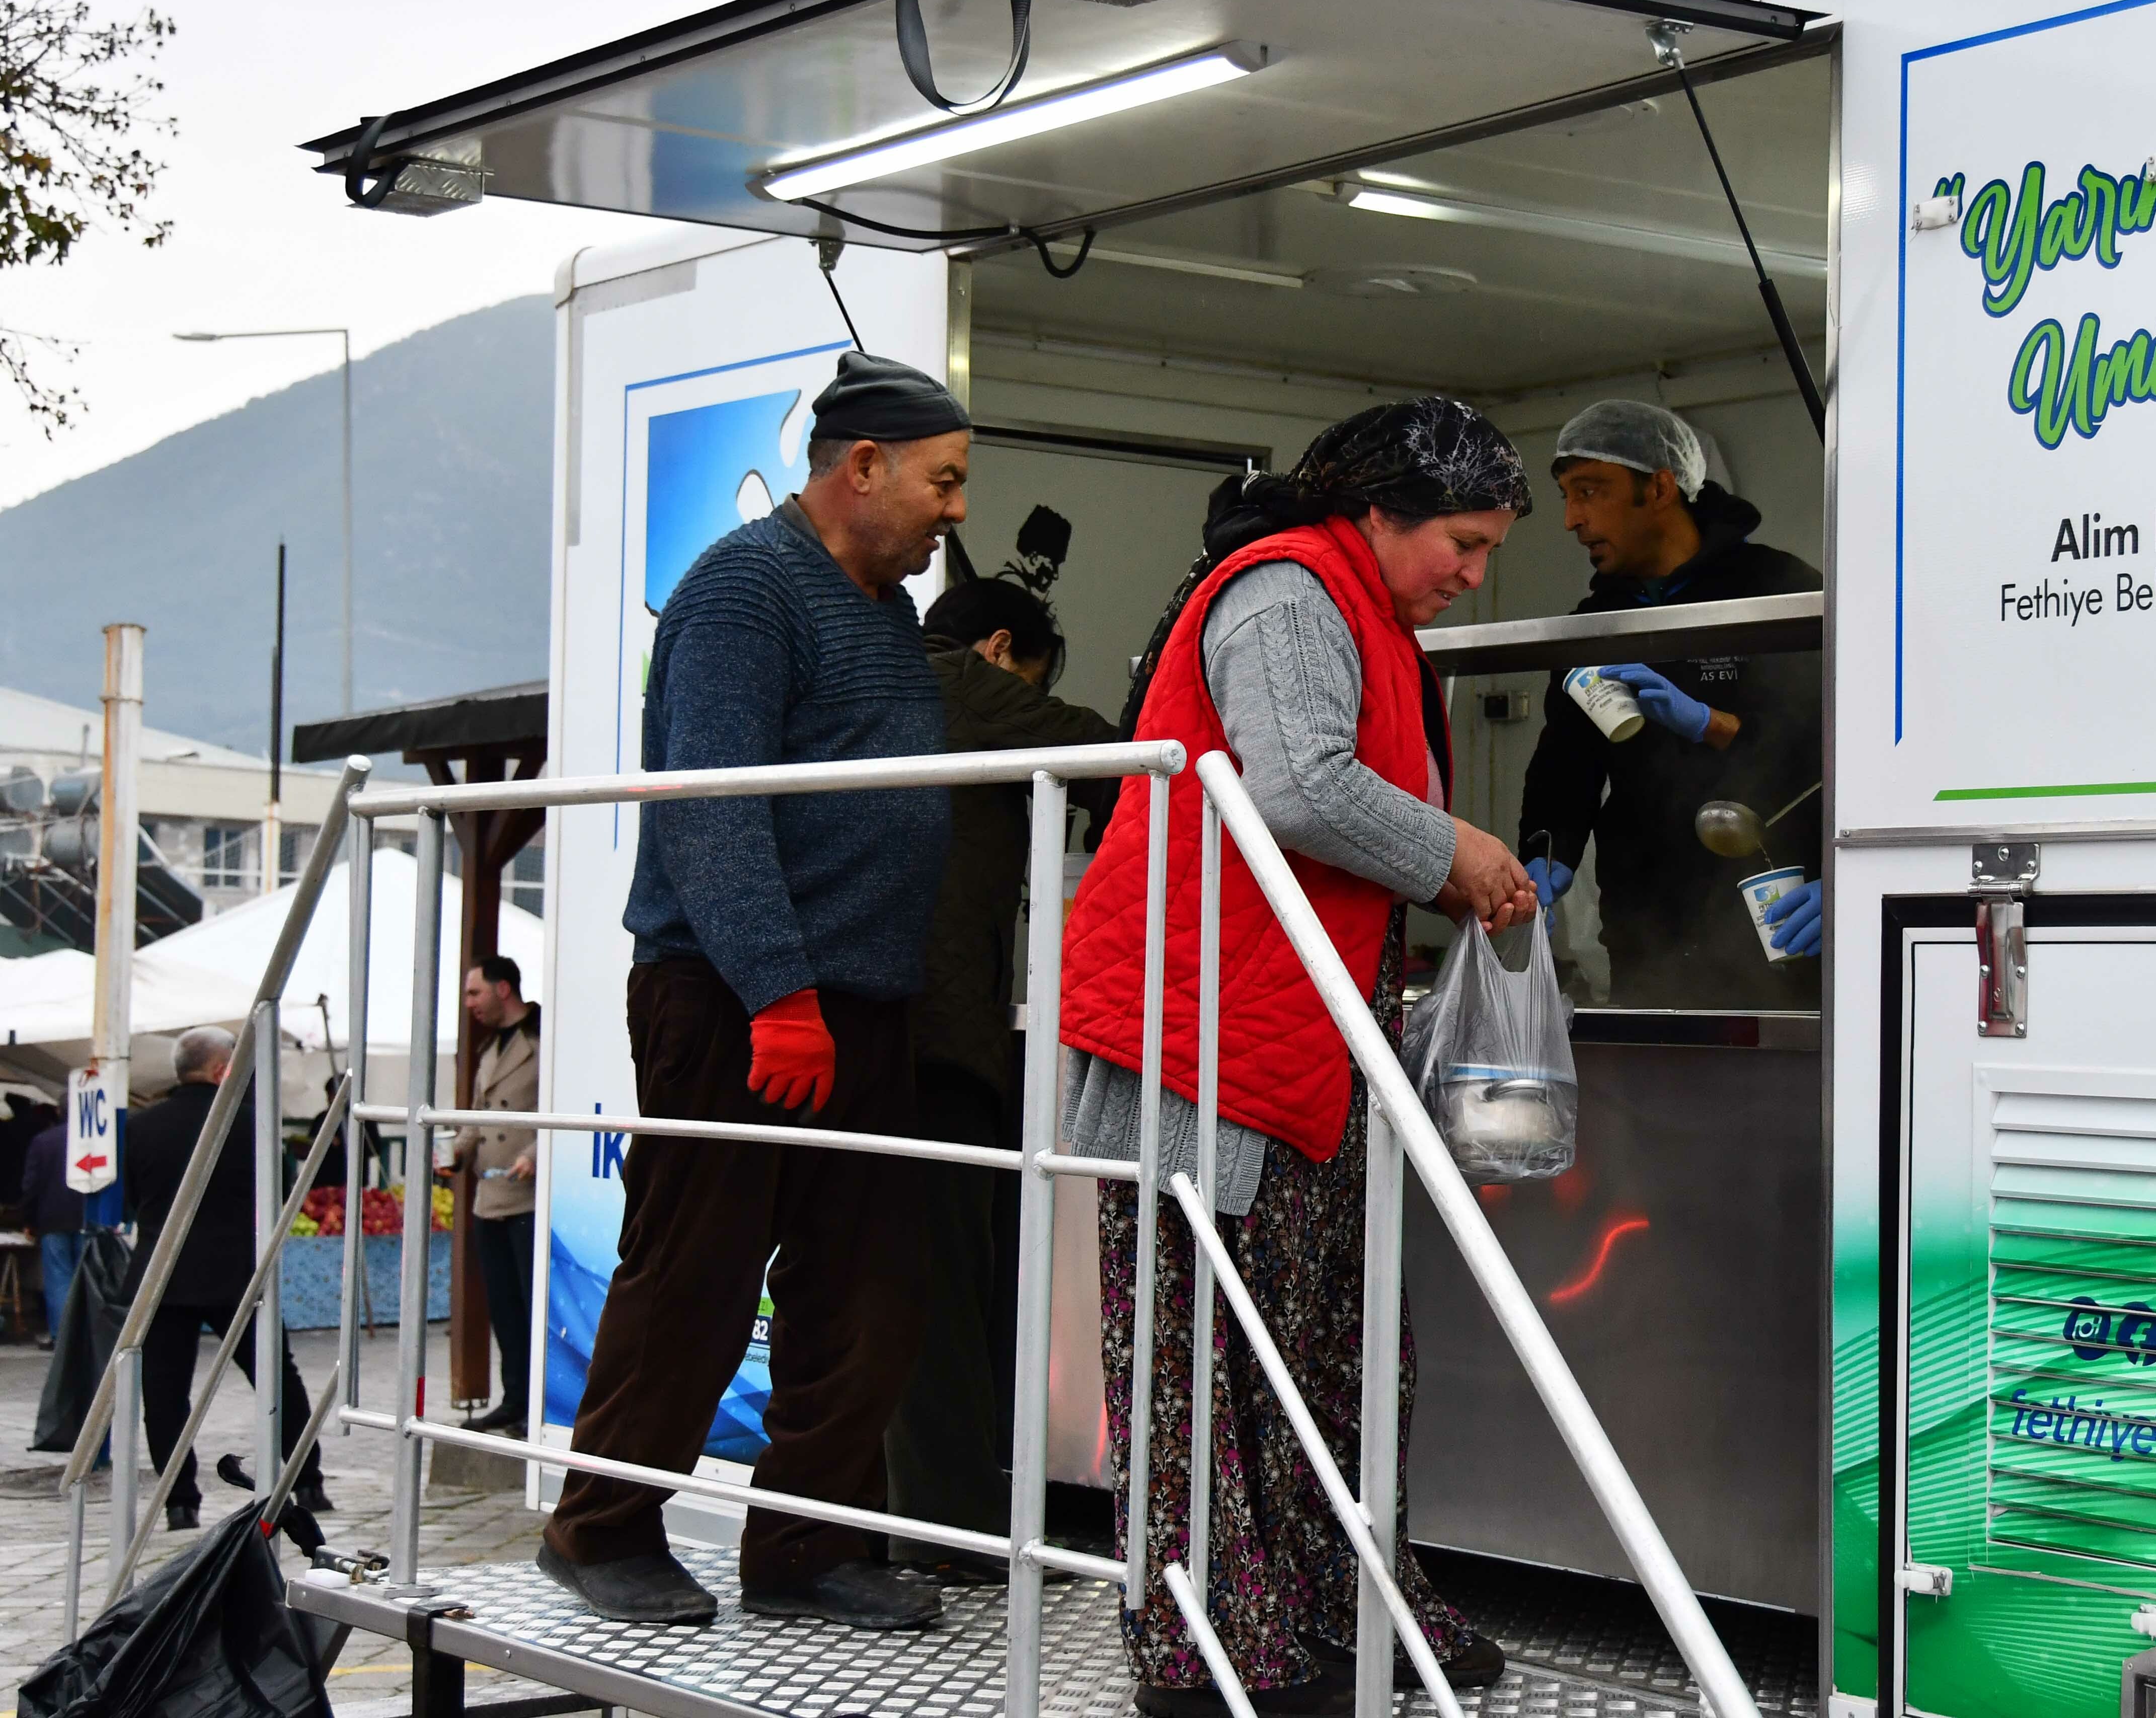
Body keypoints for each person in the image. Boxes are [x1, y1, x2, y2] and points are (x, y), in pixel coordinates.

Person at [1063, 397, 1536, 1718]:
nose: (1471, 574)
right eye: (1461, 542)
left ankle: (1339, 1595)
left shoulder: (1363, 610)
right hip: (1198, 1033)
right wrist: (1461, 854)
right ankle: (1209, 1644)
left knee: (1327, 1339)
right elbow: (1301, 787)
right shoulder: (1285, 595)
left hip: (1296, 1037)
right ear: (1376, 513)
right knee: (1198, 1350)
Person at [538, 350, 965, 1633]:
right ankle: (600, 1527)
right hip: (736, 995)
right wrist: (778, 990)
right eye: (942, 482)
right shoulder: (742, 590)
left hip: (865, 1000)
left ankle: (806, 1546)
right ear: (862, 467)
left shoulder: (885, 607)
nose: (956, 510)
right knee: (696, 1274)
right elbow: (707, 803)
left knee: (865, 1286)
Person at [885, 572, 1116, 1580]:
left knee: (870, 1281)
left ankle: (866, 1518)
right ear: (999, 649)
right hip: (940, 1031)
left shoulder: (868, 679)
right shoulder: (966, 686)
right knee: (947, 1283)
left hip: (861, 1022)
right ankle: (958, 1530)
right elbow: (1116, 752)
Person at [1516, 400, 1825, 1007]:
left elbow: (1844, 747)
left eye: (1591, 491)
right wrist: (1543, 857)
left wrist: (1843, 886)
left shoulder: (1783, 594)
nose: (1572, 519)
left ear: (1659, 488)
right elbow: (1565, 767)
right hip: (1648, 925)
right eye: (1566, 496)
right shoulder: (1599, 624)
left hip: (1783, 914)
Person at [129, 1026, 328, 1531]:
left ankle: (180, 1501)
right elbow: (282, 1192)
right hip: (237, 1273)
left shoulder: (141, 1127)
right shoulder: (252, 1126)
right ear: (223, 1071)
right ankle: (307, 1480)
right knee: (275, 1378)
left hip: (163, 1276)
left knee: (164, 1392)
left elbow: (133, 1197)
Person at [455, 954, 540, 1436]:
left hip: (527, 1196)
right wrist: (456, 1150)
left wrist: (537, 1152)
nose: (470, 1004)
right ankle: (515, 1398)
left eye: (475, 993)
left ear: (503, 989)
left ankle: (536, 1403)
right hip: (490, 1196)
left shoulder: (543, 1039)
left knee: (532, 1306)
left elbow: (562, 1107)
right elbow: (479, 1113)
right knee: (505, 1308)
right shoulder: (490, 1048)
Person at [22, 1107, 79, 1342]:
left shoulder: (43, 1142)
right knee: (89, 1278)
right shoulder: (96, 1141)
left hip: (53, 1218)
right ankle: (89, 1337)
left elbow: (31, 1186)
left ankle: (64, 1339)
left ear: (58, 1112)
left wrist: (29, 1220)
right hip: (90, 1216)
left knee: (59, 1278)